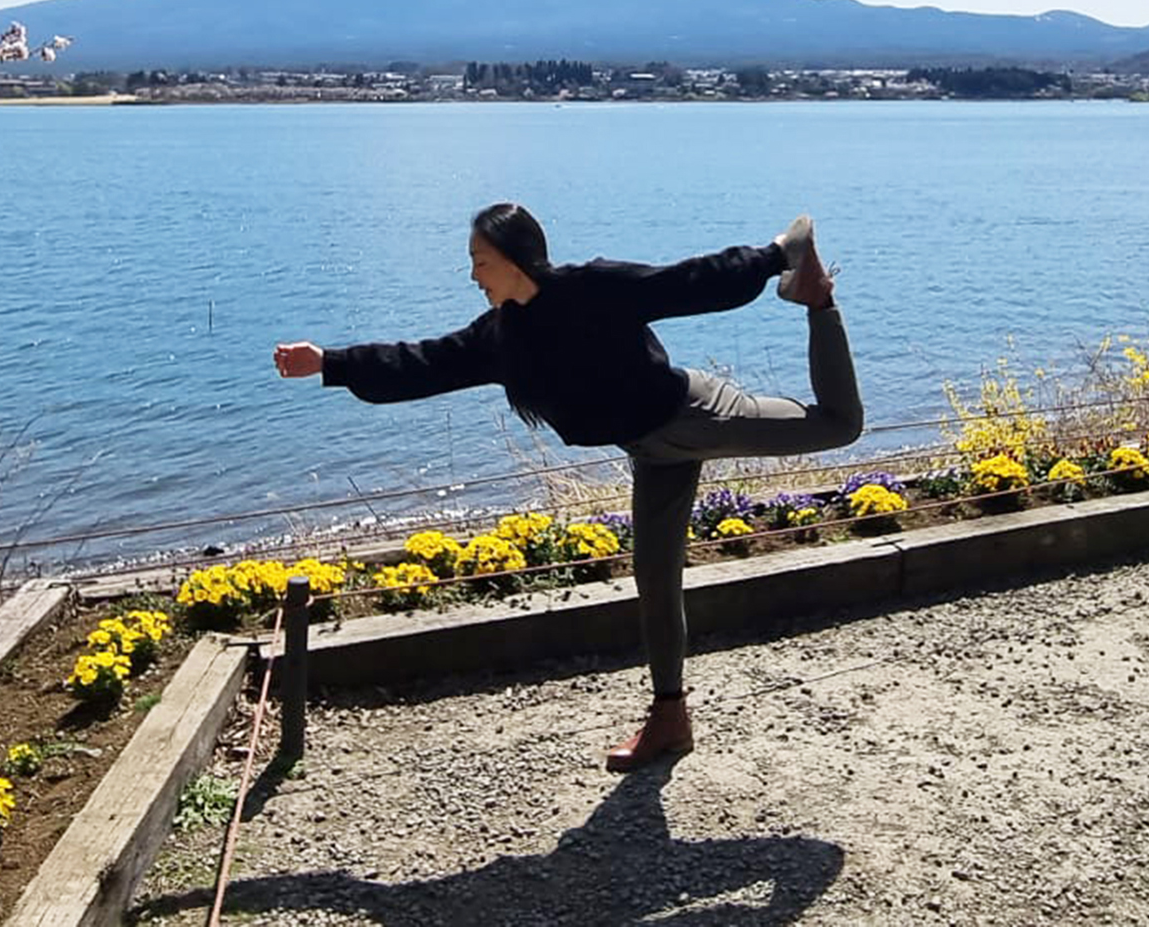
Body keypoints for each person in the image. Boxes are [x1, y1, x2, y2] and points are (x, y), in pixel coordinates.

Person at [271, 202, 861, 771]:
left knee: (839, 425)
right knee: (655, 581)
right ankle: (670, 717)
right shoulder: (501, 336)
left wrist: (774, 255)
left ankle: (816, 297)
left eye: (479, 259)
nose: (473, 274)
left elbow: (687, 283)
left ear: (513, 257)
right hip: (651, 449)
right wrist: (331, 363)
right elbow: (425, 362)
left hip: (695, 418)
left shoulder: (590, 289)